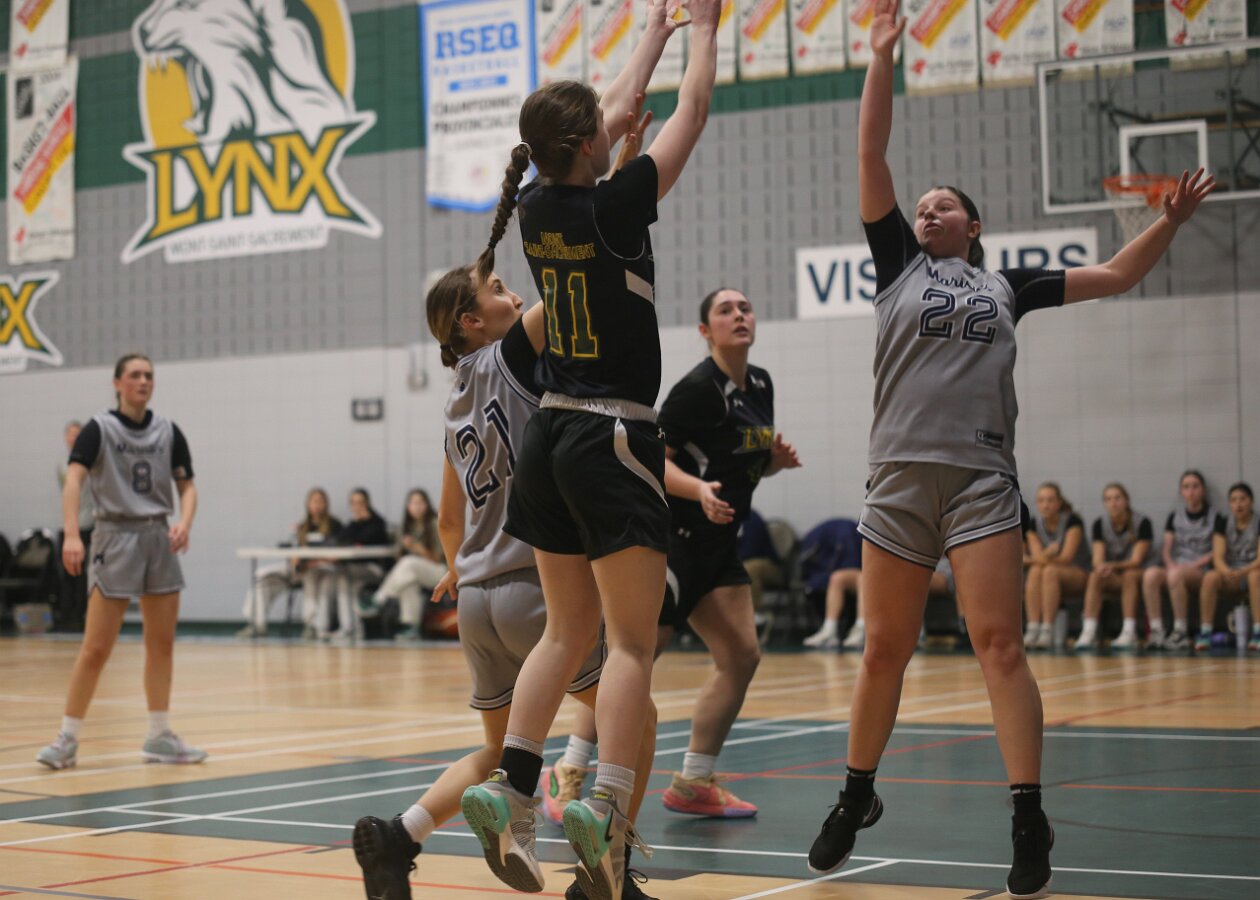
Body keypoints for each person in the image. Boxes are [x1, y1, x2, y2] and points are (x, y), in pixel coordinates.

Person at [805, 3, 1213, 897]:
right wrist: (881, 56)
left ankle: (1028, 814)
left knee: (999, 644)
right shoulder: (896, 265)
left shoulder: (1008, 285)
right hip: (899, 479)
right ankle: (856, 794)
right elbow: (871, 151)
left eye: (943, 203)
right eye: (921, 205)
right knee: (883, 648)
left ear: (974, 224)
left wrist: (1170, 222)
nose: (926, 208)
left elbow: (1116, 274)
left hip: (983, 481)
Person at [460, 2, 720, 896]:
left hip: (550, 433)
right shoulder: (616, 203)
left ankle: (514, 787)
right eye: (602, 130)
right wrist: (703, 32)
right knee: (631, 647)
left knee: (566, 632)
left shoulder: (536, 204)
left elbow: (607, 111)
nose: (617, 125)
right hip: (614, 431)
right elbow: (691, 112)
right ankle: (604, 805)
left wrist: (654, 31)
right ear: (585, 145)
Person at [353, 261, 657, 900]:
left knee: (504, 756)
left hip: (475, 599)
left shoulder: (454, 402)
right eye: (497, 290)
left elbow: (447, 518)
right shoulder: (512, 358)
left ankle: (400, 836)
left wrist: (459, 566)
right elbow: (573, 282)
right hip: (533, 586)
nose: (514, 295)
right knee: (639, 715)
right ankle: (608, 872)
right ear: (471, 321)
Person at [541, 288, 802, 824]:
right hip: (675, 540)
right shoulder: (697, 390)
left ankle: (694, 780)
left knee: (741, 655)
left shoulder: (759, 384)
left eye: (745, 308)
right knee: (631, 659)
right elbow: (653, 459)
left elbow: (734, 461)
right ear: (705, 331)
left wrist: (772, 463)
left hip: (718, 545)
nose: (739, 315)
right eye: (725, 310)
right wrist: (698, 490)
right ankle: (568, 768)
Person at [37, 354, 206, 770]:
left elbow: (187, 487)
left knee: (161, 644)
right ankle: (67, 738)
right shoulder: (99, 428)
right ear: (117, 383)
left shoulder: (168, 430)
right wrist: (72, 533)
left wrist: (184, 523)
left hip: (158, 536)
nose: (144, 381)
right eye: (135, 375)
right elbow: (74, 479)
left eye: (149, 375)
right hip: (114, 535)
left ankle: (159, 734)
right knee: (96, 647)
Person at [1142, 470, 1216, 651]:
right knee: (1150, 575)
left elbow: (1217, 550)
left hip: (1201, 568)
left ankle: (1181, 631)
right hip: (1176, 566)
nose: (1191, 491)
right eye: (1186, 487)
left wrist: (1193, 565)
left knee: (1175, 575)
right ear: (1181, 491)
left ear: (1203, 489)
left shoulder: (1216, 517)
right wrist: (1169, 562)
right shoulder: (1174, 516)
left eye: (1195, 486)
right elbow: (1167, 547)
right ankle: (1157, 630)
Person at [362, 489, 447, 640]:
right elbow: (399, 561)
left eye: (420, 502)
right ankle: (411, 626)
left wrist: (416, 548)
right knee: (408, 581)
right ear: (408, 507)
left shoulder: (434, 524)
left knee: (409, 564)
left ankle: (379, 599)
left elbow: (438, 558)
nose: (417, 507)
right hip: (415, 572)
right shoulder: (407, 527)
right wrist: (401, 549)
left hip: (440, 572)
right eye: (413, 503)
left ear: (427, 505)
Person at [1077, 483, 1153, 652]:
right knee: (1095, 575)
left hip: (1140, 574)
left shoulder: (1142, 522)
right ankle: (1088, 631)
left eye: (1117, 498)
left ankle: (1129, 631)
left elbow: (1136, 560)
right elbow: (1097, 559)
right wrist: (1102, 567)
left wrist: (1112, 565)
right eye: (1108, 499)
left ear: (1126, 500)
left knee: (1130, 575)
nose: (1113, 503)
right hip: (1114, 574)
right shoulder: (1100, 524)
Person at [1022, 483, 1089, 650]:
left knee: (1048, 571)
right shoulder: (1033, 524)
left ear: (1059, 503)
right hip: (1047, 572)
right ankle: (1033, 628)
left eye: (1050, 500)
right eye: (1041, 501)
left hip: (1078, 572)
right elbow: (1038, 558)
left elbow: (1066, 558)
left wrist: (1036, 558)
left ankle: (1047, 629)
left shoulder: (1073, 521)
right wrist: (1048, 553)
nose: (1046, 505)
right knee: (1036, 570)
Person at [1196, 482, 1260, 652]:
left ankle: (1258, 631)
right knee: (1210, 577)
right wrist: (1228, 572)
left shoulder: (1258, 522)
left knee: (1256, 576)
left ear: (1251, 501)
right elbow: (1218, 557)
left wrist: (1242, 571)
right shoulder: (1223, 522)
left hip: (1251, 571)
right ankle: (1205, 631)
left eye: (1243, 499)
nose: (1238, 504)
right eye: (1234, 500)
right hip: (1231, 573)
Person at [333, 488, 391, 641]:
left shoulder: (377, 522)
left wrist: (362, 520)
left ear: (367, 503)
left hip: (375, 569)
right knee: (344, 580)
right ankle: (350, 628)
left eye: (360, 502)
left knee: (346, 577)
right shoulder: (352, 523)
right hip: (354, 570)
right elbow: (341, 540)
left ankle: (351, 628)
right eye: (353, 503)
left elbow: (363, 539)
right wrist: (355, 522)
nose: (357, 506)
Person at [56, 420, 94, 630]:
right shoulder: (63, 465)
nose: (74, 437)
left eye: (78, 434)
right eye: (71, 434)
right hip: (68, 526)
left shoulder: (92, 462)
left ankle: (80, 616)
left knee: (83, 574)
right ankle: (65, 616)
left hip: (87, 525)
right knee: (67, 574)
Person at [295, 487, 342, 640]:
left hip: (329, 567)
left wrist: (316, 561)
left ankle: (322, 626)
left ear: (326, 504)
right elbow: (298, 552)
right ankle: (310, 624)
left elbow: (336, 553)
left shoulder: (335, 525)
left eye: (320, 501)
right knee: (310, 578)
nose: (317, 505)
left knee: (326, 584)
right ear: (308, 504)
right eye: (314, 501)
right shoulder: (303, 527)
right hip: (310, 569)